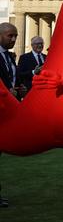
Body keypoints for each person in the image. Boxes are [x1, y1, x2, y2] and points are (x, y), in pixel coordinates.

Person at [0, 22, 17, 208]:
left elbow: (11, 78)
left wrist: (18, 89)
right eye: (9, 35)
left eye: (15, 36)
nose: (13, 39)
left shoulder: (10, 57)